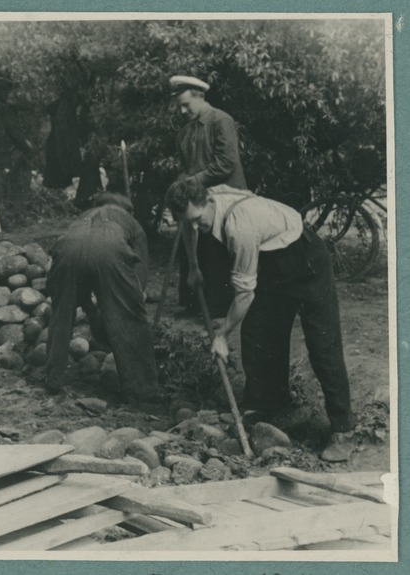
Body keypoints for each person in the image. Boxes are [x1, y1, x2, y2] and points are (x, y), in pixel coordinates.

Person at [165, 179, 356, 462]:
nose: (194, 227)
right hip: (273, 264)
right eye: (186, 221)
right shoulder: (203, 202)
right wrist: (193, 267)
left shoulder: (238, 227)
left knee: (322, 346)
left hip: (306, 261)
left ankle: (343, 429)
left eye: (196, 220)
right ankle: (274, 406)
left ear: (207, 203)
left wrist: (222, 335)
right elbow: (188, 229)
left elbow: (244, 293)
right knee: (258, 334)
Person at [45, 193, 159, 401]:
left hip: (66, 249)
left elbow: (76, 275)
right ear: (128, 210)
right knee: (130, 318)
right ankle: (141, 390)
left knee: (61, 313)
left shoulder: (83, 216)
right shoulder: (132, 223)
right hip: (108, 249)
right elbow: (138, 284)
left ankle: (53, 378)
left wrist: (90, 309)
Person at [170, 75, 248, 318]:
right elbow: (186, 166)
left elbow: (226, 163)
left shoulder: (220, 120)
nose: (182, 111)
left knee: (215, 252)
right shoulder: (184, 132)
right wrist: (181, 182)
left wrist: (192, 181)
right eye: (179, 106)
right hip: (197, 198)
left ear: (200, 98)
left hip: (225, 199)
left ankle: (217, 309)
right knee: (192, 251)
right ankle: (193, 304)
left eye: (186, 105)